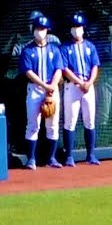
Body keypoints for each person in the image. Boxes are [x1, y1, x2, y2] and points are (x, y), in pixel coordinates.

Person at [18, 15, 66, 169]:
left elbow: (59, 69)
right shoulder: (27, 50)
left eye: (43, 29)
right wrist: (45, 86)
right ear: (33, 30)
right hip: (35, 89)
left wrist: (52, 86)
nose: (40, 31)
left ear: (47, 31)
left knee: (53, 125)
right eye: (38, 28)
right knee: (33, 125)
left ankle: (52, 158)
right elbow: (28, 72)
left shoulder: (54, 49)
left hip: (52, 90)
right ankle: (31, 159)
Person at [61, 13, 102, 165]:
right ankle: (69, 156)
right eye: (74, 27)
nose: (76, 29)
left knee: (90, 120)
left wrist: (89, 82)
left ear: (83, 28)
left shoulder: (90, 46)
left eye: (78, 26)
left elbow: (95, 66)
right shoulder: (65, 47)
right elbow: (65, 69)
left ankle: (91, 155)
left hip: (88, 87)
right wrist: (79, 82)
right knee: (70, 121)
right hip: (72, 86)